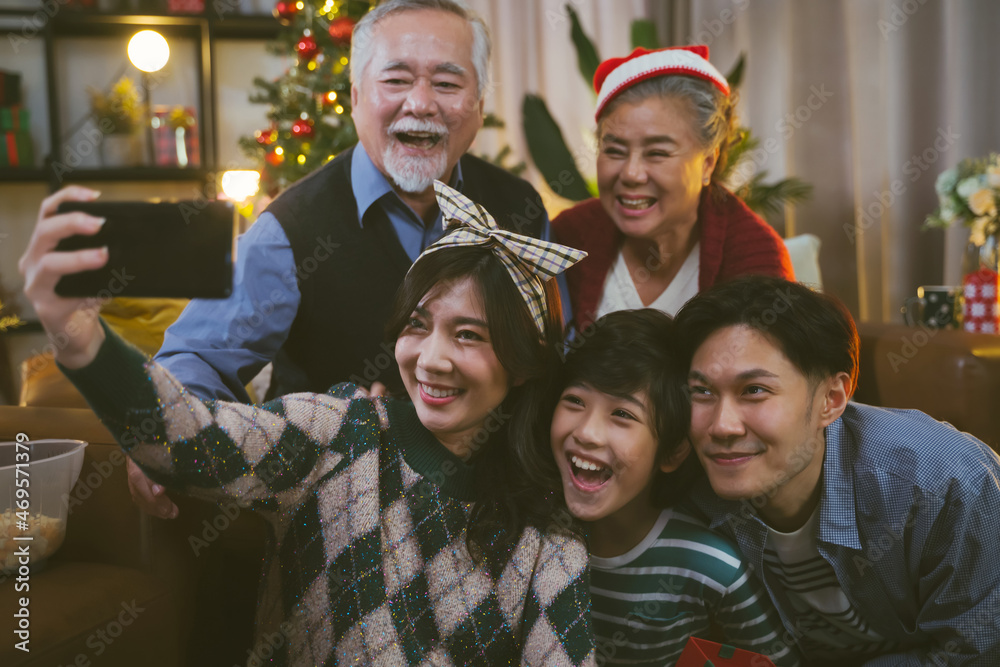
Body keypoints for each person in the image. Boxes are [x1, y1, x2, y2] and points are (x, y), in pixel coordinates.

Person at [20, 181, 595, 666]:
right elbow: (192, 442)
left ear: (521, 364)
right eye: (418, 325)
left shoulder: (548, 532)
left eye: (469, 334)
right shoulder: (339, 432)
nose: (432, 357)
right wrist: (79, 338)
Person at [91, 0, 556, 519]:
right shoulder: (289, 229)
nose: (422, 103)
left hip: (491, 506)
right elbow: (196, 358)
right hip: (335, 520)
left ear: (479, 104)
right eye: (396, 80)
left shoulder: (521, 210)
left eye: (447, 84)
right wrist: (162, 431)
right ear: (356, 97)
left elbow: (545, 360)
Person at [674, 275, 1000, 665]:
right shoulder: (683, 479)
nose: (721, 426)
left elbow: (975, 654)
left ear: (832, 399)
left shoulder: (944, 487)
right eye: (703, 392)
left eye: (754, 390)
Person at [540, 309, 798, 666]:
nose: (586, 432)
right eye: (575, 401)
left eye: (623, 415)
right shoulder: (529, 533)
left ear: (674, 452)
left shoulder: (710, 567)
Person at [551, 45, 794, 333]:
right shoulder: (568, 237)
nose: (631, 173)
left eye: (657, 153)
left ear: (707, 163)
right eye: (614, 150)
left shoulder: (756, 260)